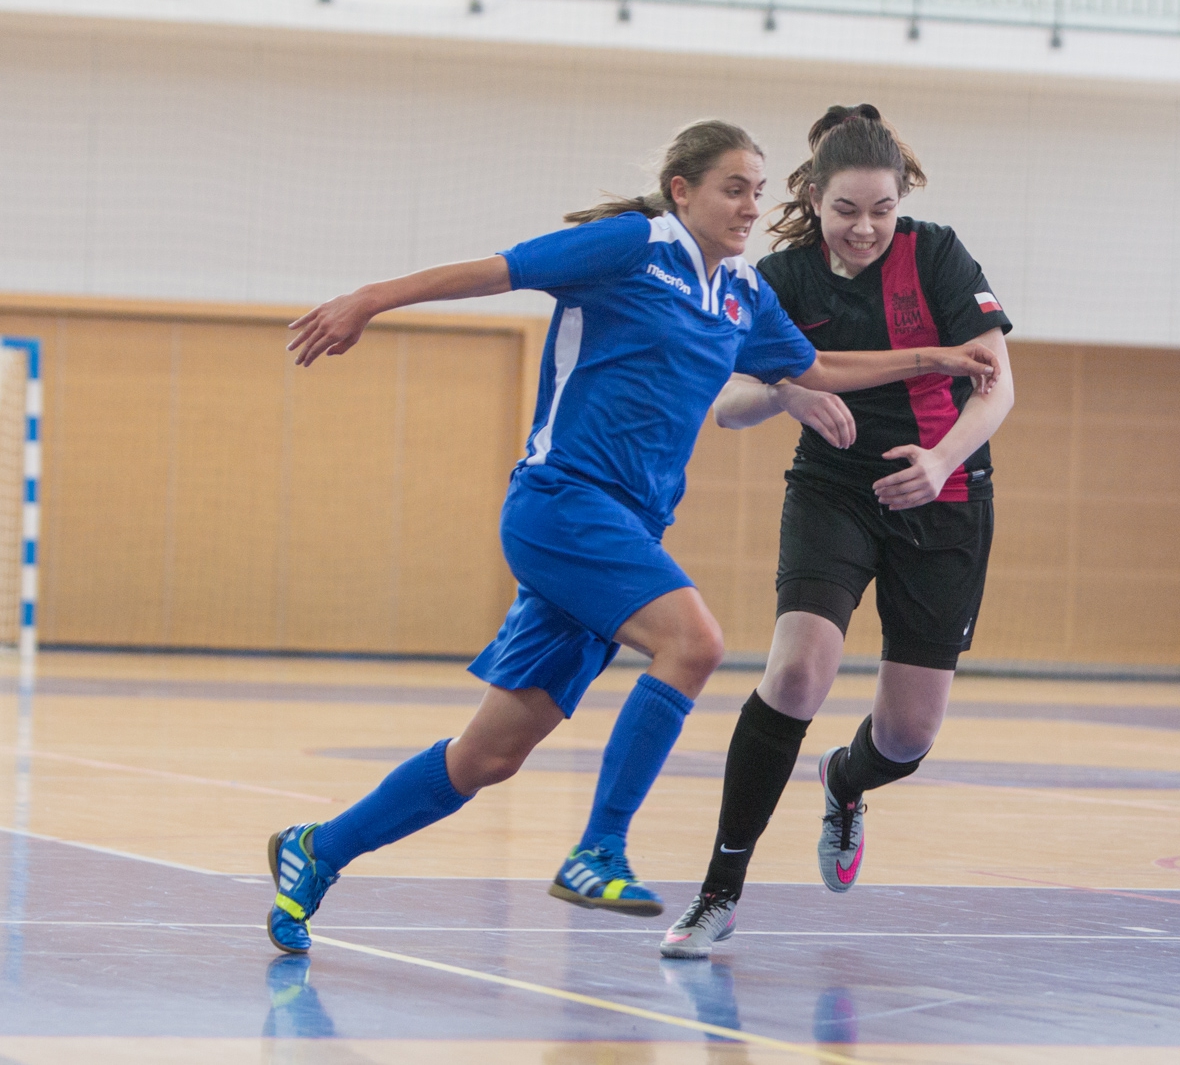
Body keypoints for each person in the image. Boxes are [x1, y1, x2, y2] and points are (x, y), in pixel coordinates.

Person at [263, 119, 999, 954]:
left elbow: (817, 370)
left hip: (623, 531)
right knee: (695, 642)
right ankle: (598, 848)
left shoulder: (741, 295)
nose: (750, 206)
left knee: (487, 755)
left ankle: (314, 851)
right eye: (733, 188)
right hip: (564, 505)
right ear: (683, 190)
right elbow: (499, 269)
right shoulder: (629, 246)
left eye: (759, 191)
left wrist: (934, 358)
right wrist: (368, 299)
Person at [660, 104, 1015, 959]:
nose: (865, 227)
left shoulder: (936, 256)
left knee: (907, 736)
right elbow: (728, 403)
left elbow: (997, 388)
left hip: (944, 495)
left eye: (882, 210)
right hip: (834, 490)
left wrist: (939, 461)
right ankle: (718, 891)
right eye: (847, 209)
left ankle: (845, 782)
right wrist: (787, 390)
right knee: (796, 669)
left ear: (903, 201)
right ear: (813, 198)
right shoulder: (779, 280)